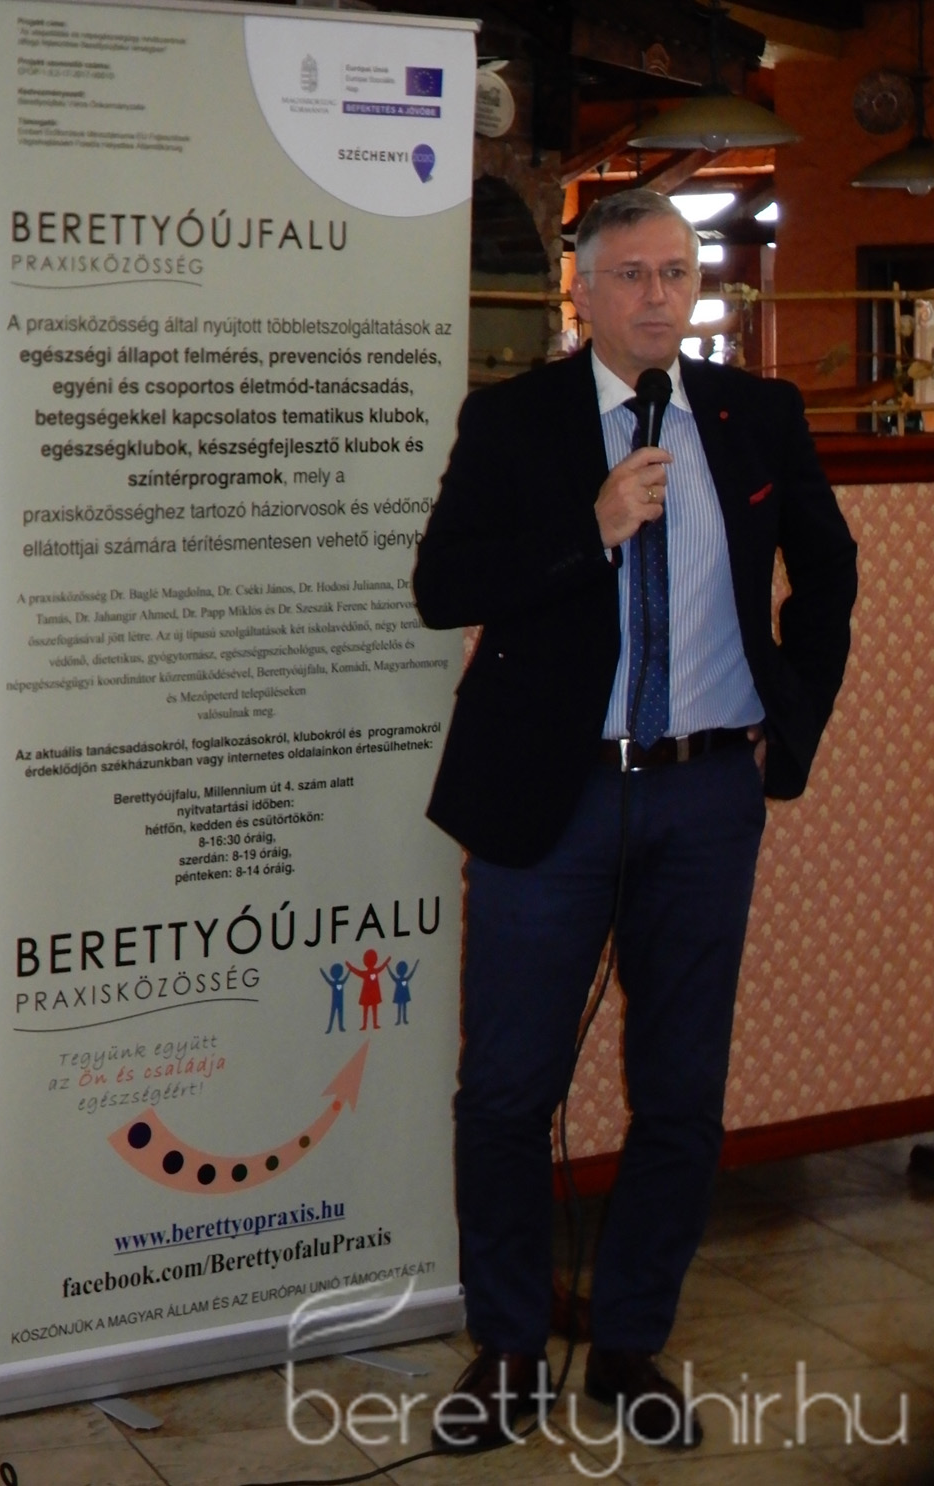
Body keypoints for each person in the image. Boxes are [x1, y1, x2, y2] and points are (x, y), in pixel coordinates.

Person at [413, 187, 857, 1453]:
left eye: (678, 272)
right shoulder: (514, 420)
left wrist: (788, 714)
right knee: (507, 1087)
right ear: (583, 291)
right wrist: (592, 527)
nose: (660, 295)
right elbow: (443, 585)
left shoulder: (755, 413)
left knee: (680, 1088)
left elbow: (827, 569)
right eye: (634, 274)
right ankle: (508, 1346)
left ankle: (629, 1339)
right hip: (553, 795)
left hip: (706, 791)